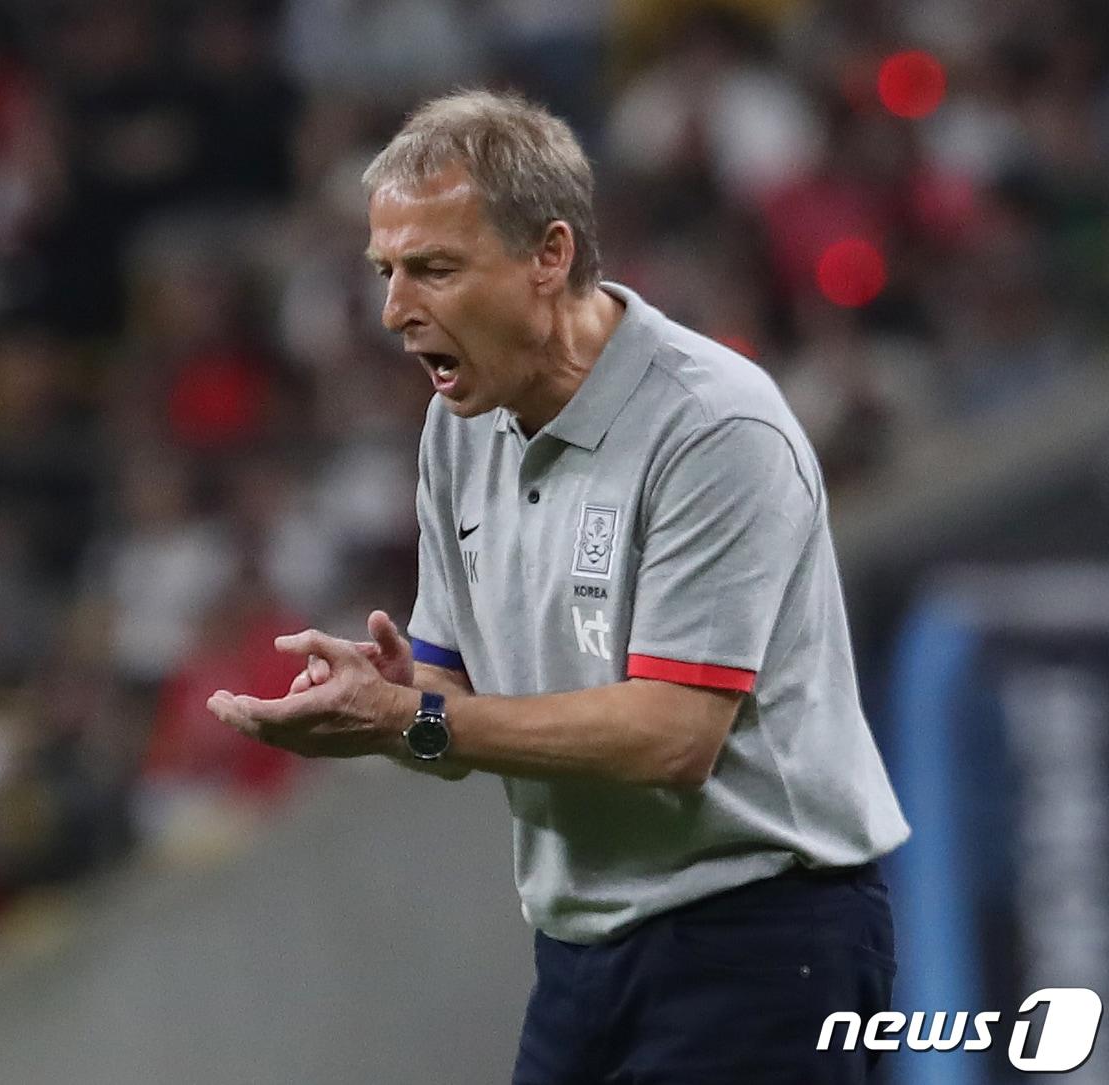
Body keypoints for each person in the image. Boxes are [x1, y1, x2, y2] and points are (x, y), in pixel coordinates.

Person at [207, 90, 910, 1084]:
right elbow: (448, 709)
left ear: (548, 255)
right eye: (385, 271)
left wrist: (420, 718)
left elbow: (673, 734)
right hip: (580, 952)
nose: (393, 309)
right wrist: (381, 706)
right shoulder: (458, 425)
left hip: (757, 936)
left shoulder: (711, 427)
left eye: (433, 269)